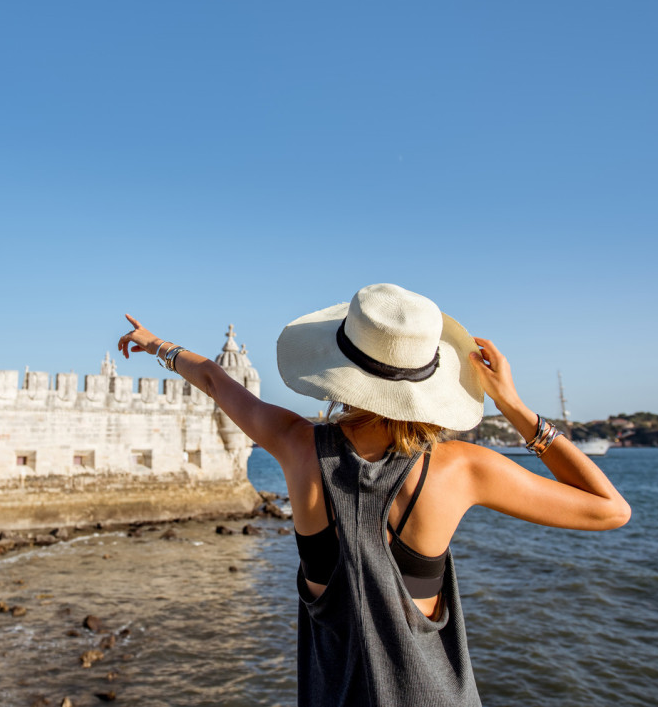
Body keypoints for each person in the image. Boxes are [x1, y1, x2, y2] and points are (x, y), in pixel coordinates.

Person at [117, 283, 631, 707]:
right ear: (430, 377)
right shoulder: (461, 468)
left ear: (343, 365)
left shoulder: (297, 446)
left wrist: (156, 344)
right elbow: (610, 509)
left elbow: (212, 376)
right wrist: (514, 405)